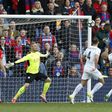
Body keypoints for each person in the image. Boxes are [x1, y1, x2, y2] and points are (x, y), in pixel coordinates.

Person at [69, 38, 105, 104]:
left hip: (86, 67)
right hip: (92, 68)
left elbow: (82, 57)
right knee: (102, 81)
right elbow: (96, 58)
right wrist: (95, 66)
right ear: (98, 43)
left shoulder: (88, 49)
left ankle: (72, 95)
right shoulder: (97, 49)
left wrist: (85, 62)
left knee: (82, 83)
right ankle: (91, 93)